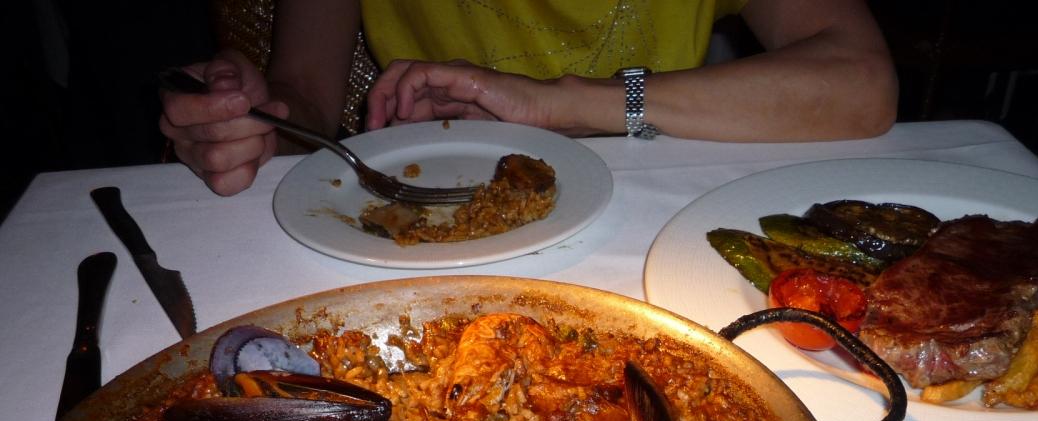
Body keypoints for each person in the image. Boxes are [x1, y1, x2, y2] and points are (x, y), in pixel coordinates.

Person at [160, 0, 897, 196]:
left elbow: (862, 84)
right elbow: (306, 98)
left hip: (665, 210)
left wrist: (566, 104)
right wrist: (253, 121)